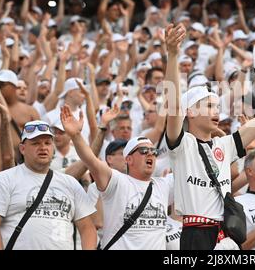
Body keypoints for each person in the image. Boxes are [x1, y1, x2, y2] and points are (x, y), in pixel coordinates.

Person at [164, 23, 255, 250]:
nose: (215, 112)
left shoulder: (224, 144)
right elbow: (172, 106)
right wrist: (172, 55)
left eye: (216, 106)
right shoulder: (182, 144)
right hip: (195, 235)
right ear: (189, 111)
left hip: (226, 237)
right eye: (208, 106)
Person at [60, 105, 174, 250]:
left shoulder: (164, 185)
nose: (150, 154)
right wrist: (76, 136)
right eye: (144, 150)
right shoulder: (117, 182)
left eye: (153, 151)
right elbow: (91, 161)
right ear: (129, 159)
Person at [0, 120, 96, 250]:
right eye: (35, 143)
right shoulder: (4, 180)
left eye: (47, 143)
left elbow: (88, 228)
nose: (43, 147)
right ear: (22, 148)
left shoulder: (70, 183)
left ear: (53, 148)